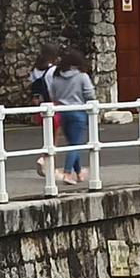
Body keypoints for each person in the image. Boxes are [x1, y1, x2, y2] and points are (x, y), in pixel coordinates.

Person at [46, 48, 96, 185]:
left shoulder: (56, 77)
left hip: (63, 113)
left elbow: (53, 96)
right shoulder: (82, 76)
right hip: (78, 112)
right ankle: (67, 173)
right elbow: (90, 95)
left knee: (72, 144)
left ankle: (79, 173)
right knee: (75, 144)